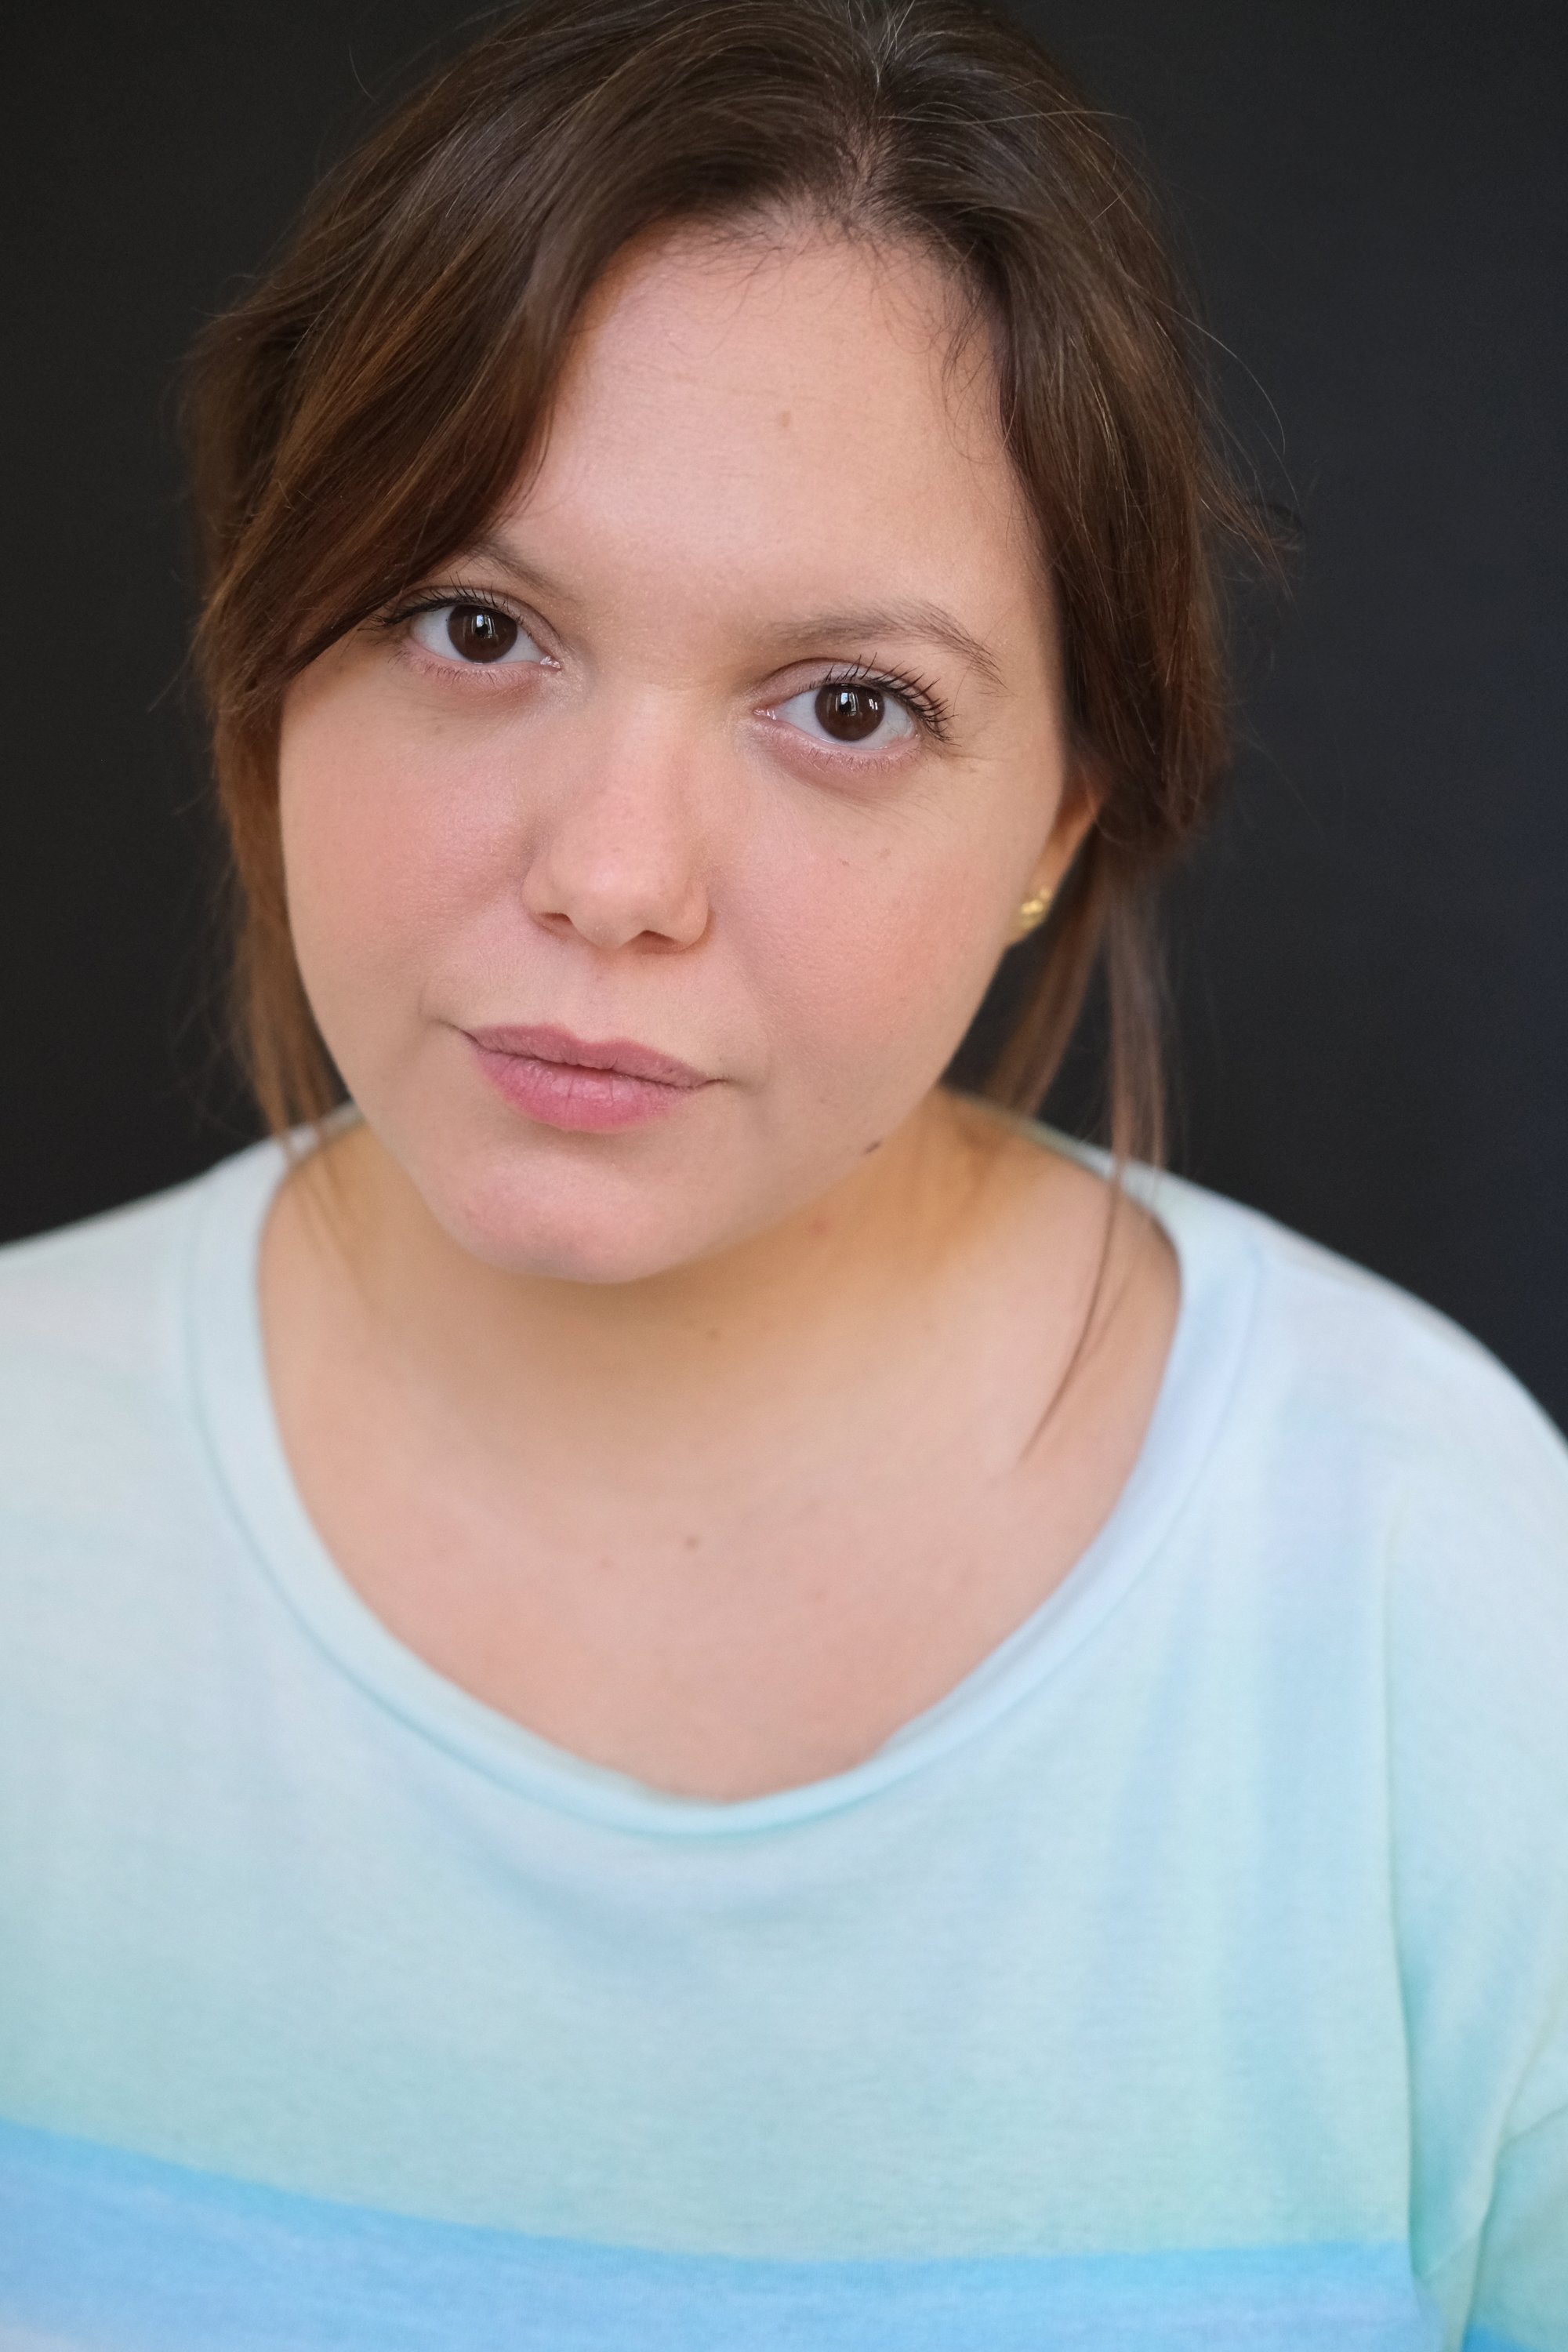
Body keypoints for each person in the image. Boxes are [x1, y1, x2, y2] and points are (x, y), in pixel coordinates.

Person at [1, 0, 1564, 2343]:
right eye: (475, 626)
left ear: (1058, 818)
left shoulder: (1443, 1596)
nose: (616, 876)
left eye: (850, 705)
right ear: (272, 657)